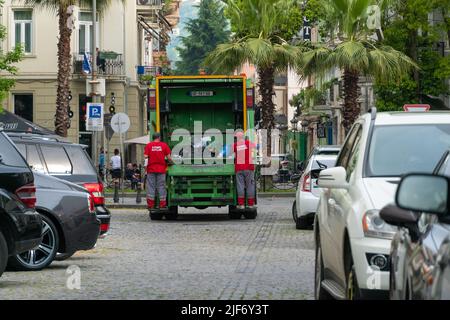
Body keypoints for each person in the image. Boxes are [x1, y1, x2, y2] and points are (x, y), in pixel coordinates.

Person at [144, 132, 173, 209]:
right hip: (161, 169)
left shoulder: (148, 146)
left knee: (151, 186)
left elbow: (146, 157)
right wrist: (172, 163)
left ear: (153, 137)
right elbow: (169, 158)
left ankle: (150, 205)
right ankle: (162, 204)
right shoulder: (164, 145)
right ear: (159, 137)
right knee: (161, 186)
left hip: (151, 169)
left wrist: (145, 168)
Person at [231, 131, 257, 209]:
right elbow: (256, 149)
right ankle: (250, 204)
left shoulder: (235, 145)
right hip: (249, 168)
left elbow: (230, 154)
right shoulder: (249, 143)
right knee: (250, 186)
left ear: (237, 138)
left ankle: (241, 204)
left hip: (239, 168)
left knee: (240, 186)